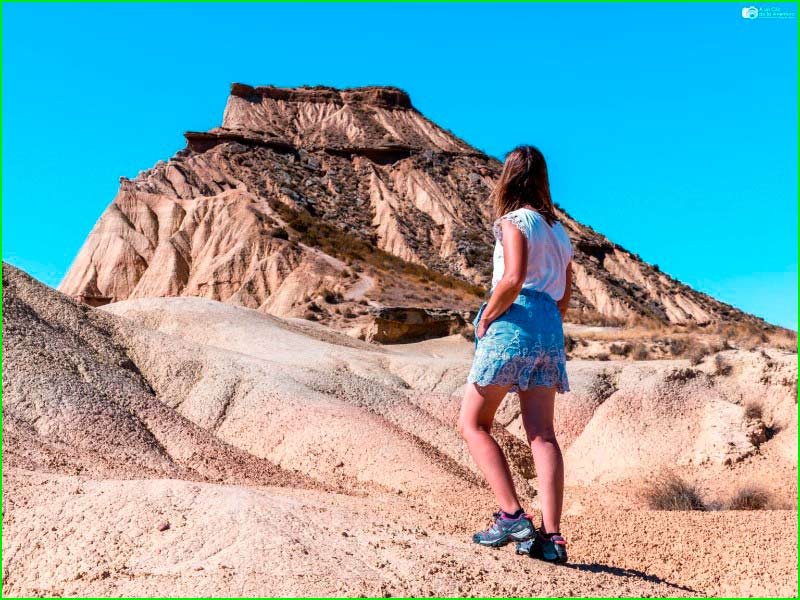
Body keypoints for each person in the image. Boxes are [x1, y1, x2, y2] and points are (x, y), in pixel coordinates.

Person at [458, 145, 573, 563]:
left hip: (513, 320)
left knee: (473, 423)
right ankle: (553, 538)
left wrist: (486, 318)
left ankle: (510, 515)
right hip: (550, 328)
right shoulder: (560, 234)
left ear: (509, 177)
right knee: (543, 435)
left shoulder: (513, 221)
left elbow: (512, 278)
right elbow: (562, 298)